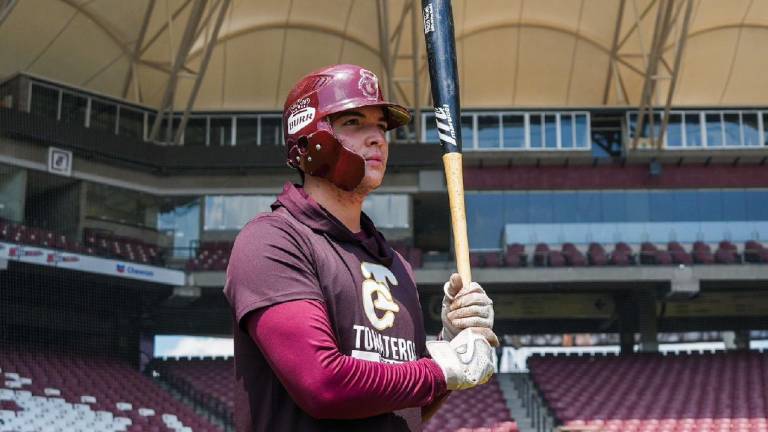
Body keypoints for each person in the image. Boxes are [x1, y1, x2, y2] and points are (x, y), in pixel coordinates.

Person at [223, 64, 498, 432]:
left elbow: (405, 407)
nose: (378, 138)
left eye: (381, 127)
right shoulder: (273, 241)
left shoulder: (396, 264)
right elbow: (324, 386)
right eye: (354, 122)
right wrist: (442, 368)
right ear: (308, 138)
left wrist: (451, 345)